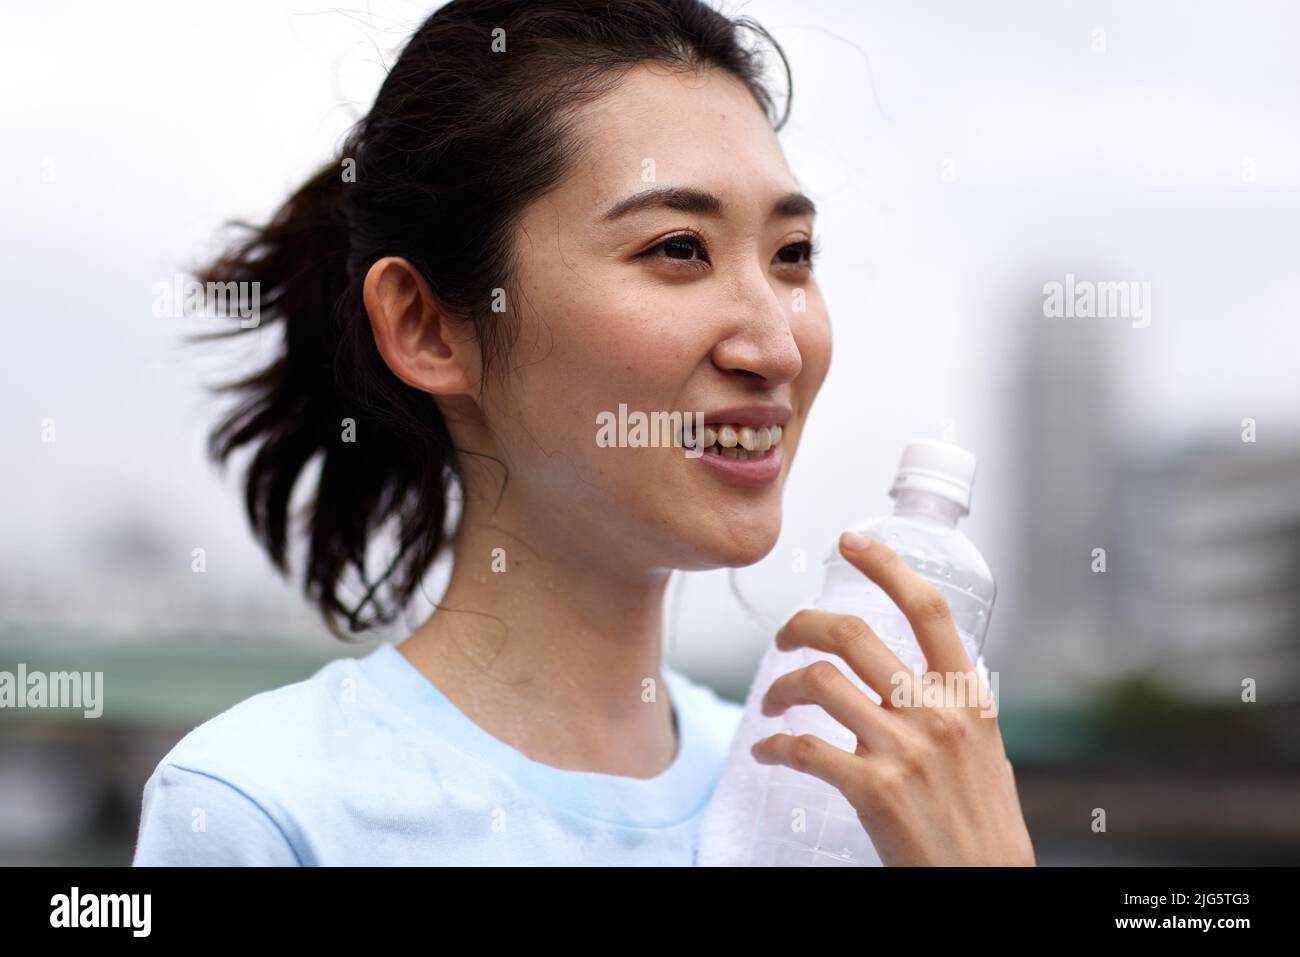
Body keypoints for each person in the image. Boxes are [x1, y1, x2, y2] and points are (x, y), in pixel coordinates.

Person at [132, 0, 1034, 866]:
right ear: (428, 326)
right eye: (679, 247)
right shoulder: (264, 810)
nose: (774, 347)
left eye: (792, 254)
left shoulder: (843, 799)